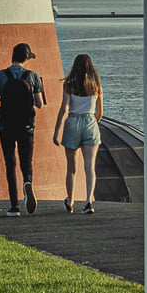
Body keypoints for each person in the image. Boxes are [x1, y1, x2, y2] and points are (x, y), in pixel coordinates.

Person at [0, 42, 46, 217]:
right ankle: (27, 182)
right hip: (26, 125)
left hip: (6, 125)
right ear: (27, 58)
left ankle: (14, 206)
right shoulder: (33, 76)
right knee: (26, 161)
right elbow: (39, 104)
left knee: (10, 163)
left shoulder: (0, 75)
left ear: (12, 57)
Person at [53, 52, 104, 214]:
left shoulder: (69, 84)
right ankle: (89, 202)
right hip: (90, 122)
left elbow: (64, 108)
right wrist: (92, 123)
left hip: (73, 122)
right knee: (90, 167)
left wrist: (56, 131)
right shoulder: (96, 86)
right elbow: (100, 113)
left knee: (71, 167)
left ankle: (71, 200)